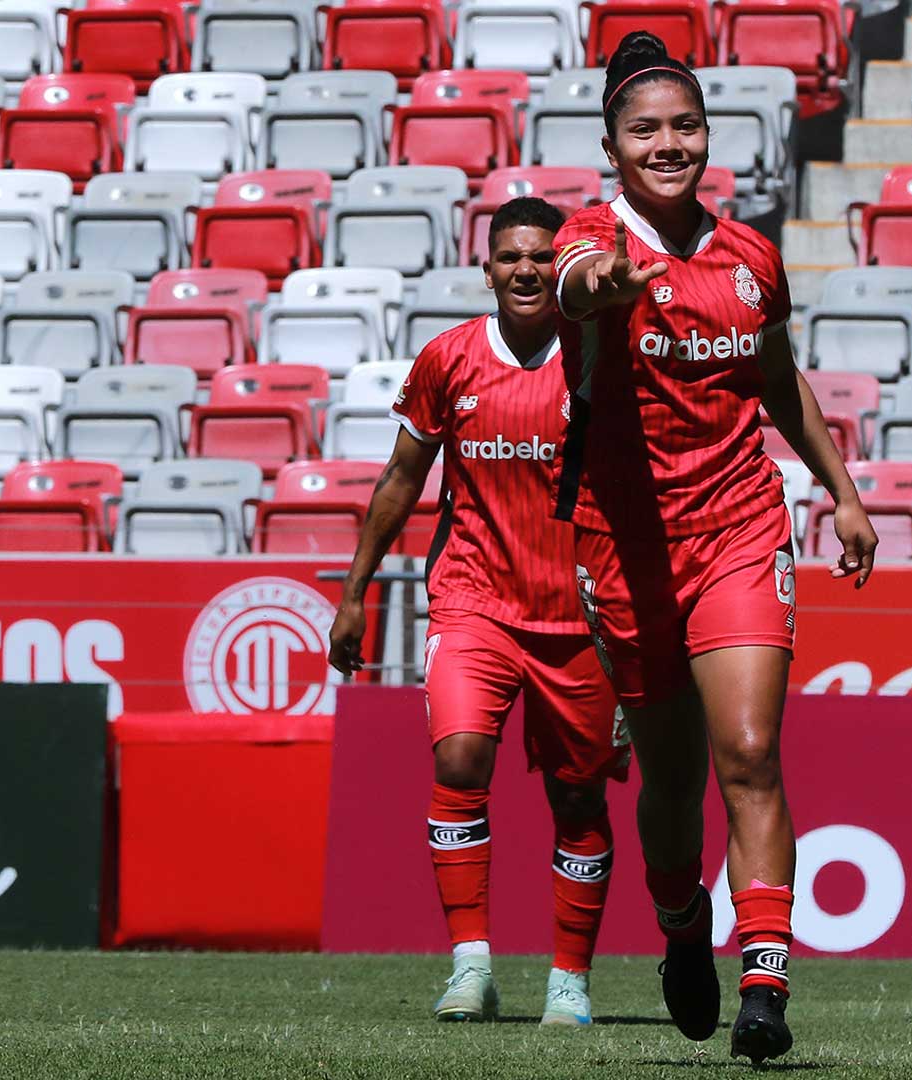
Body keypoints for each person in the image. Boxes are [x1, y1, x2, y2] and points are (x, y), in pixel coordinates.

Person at [551, 31, 879, 1065]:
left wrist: (844, 493)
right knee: (669, 783)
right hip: (628, 547)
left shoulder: (750, 258)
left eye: (685, 125)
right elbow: (574, 290)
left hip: (741, 525)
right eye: (645, 129)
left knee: (748, 753)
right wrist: (603, 285)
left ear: (709, 138)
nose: (669, 143)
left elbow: (778, 384)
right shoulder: (586, 242)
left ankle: (766, 983)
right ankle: (683, 927)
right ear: (612, 147)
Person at [327, 197, 628, 1028]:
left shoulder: (599, 355)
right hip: (474, 601)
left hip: (581, 619)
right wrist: (355, 594)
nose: (525, 269)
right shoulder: (448, 359)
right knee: (459, 760)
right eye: (510, 258)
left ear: (558, 264)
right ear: (487, 267)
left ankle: (569, 981)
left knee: (578, 803)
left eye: (540, 256)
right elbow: (400, 481)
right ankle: (471, 967)